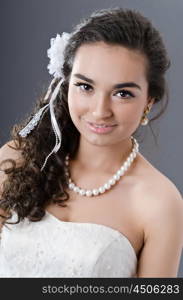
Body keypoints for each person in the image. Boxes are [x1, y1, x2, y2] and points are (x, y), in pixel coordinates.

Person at [0, 7, 183, 278]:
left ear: (149, 102)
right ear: (66, 84)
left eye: (122, 93)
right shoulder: (15, 160)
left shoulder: (160, 204)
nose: (100, 110)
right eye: (85, 86)